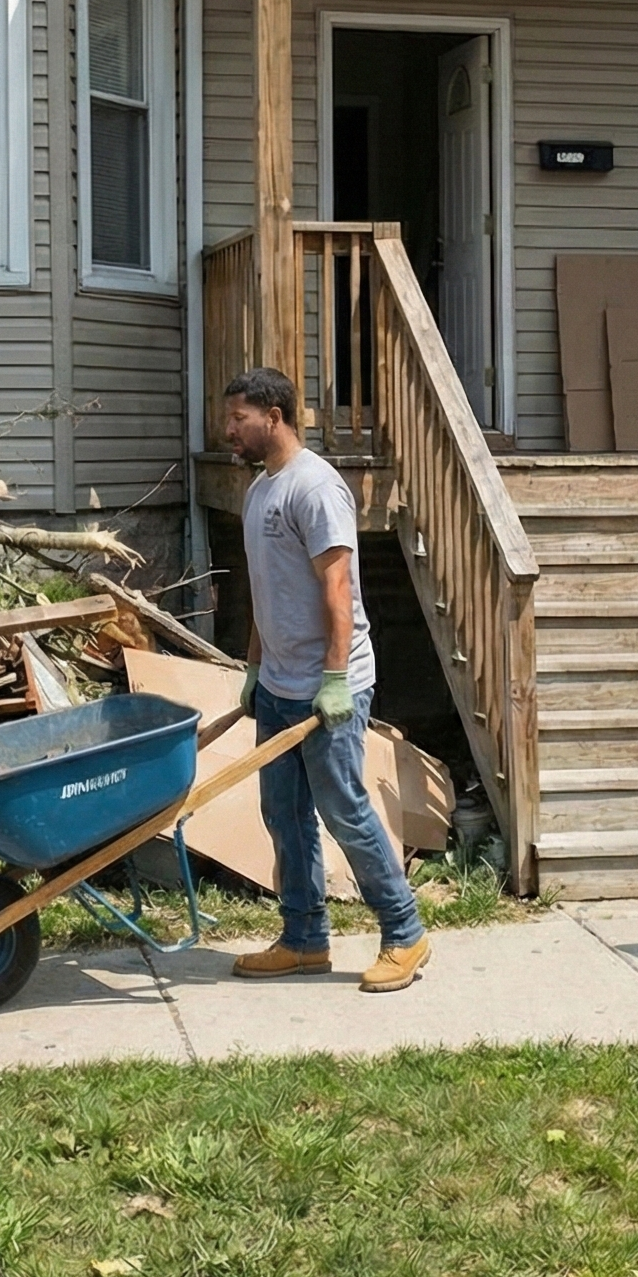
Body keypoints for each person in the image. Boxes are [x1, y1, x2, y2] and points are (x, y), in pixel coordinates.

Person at [222, 366, 430, 994]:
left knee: (343, 809)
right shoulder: (260, 490)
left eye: (239, 418)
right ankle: (304, 939)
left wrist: (335, 679)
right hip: (280, 685)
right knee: (283, 813)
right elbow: (265, 592)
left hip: (328, 686)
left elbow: (339, 591)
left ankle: (405, 932)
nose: (229, 429)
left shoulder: (315, 488)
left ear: (274, 417)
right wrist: (255, 666)